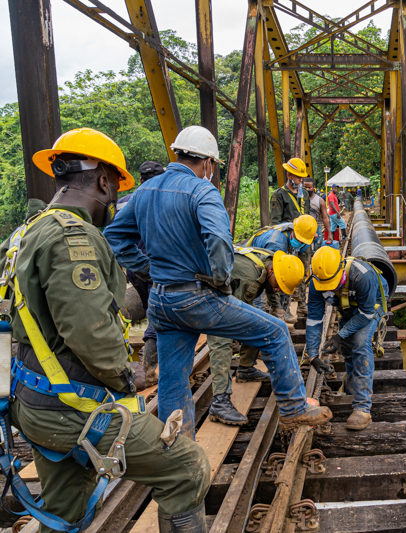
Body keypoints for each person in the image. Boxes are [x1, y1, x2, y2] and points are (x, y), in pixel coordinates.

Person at [0, 128, 211, 532]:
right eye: (115, 186)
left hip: (31, 401)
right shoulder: (71, 237)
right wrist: (123, 375)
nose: (115, 196)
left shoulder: (22, 234)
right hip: (74, 407)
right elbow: (91, 332)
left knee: (65, 510)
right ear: (102, 180)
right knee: (186, 468)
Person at [104, 125, 331, 440]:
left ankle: (178, 446)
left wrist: (149, 269)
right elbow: (218, 239)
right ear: (208, 164)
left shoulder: (144, 192)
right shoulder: (201, 190)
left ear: (178, 153)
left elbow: (114, 238)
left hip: (161, 303)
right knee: (276, 332)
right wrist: (220, 279)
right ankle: (294, 408)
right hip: (195, 297)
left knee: (173, 380)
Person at [206, 249, 305, 425]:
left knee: (258, 322)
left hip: (226, 290)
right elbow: (227, 313)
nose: (276, 289)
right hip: (204, 297)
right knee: (222, 341)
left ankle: (245, 369)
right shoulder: (249, 278)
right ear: (271, 271)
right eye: (278, 285)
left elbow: (271, 286)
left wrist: (277, 308)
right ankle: (220, 401)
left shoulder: (270, 261)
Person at [306, 247, 389, 431]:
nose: (328, 288)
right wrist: (313, 356)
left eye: (332, 284)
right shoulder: (316, 283)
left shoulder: (362, 276)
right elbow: (314, 320)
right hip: (349, 306)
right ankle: (352, 385)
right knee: (346, 347)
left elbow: (366, 313)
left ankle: (362, 408)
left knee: (359, 343)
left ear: (342, 269)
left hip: (370, 306)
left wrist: (339, 334)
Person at [118, 160, 165, 386]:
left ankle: (150, 357)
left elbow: (115, 235)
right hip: (156, 268)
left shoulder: (124, 201)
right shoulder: (162, 199)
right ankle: (148, 368)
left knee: (150, 312)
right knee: (157, 317)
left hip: (133, 269)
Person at [246, 215, 317, 326]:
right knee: (258, 303)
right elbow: (271, 277)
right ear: (294, 230)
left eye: (303, 241)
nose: (300, 242)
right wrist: (275, 306)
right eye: (299, 239)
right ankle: (258, 329)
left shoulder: (289, 230)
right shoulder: (276, 244)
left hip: (261, 265)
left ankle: (277, 317)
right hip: (252, 269)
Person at [270, 158, 312, 319]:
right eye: (297, 177)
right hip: (288, 242)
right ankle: (283, 308)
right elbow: (275, 224)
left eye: (302, 177)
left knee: (302, 272)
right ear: (289, 175)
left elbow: (307, 216)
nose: (301, 180)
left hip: (304, 243)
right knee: (287, 274)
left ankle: (301, 303)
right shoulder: (279, 196)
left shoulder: (305, 195)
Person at [302, 177, 332, 249]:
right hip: (303, 229)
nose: (307, 189)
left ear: (314, 187)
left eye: (309, 187)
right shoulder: (299, 199)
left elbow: (325, 217)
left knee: (317, 250)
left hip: (316, 228)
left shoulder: (320, 201)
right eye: (305, 187)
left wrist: (329, 233)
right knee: (304, 252)